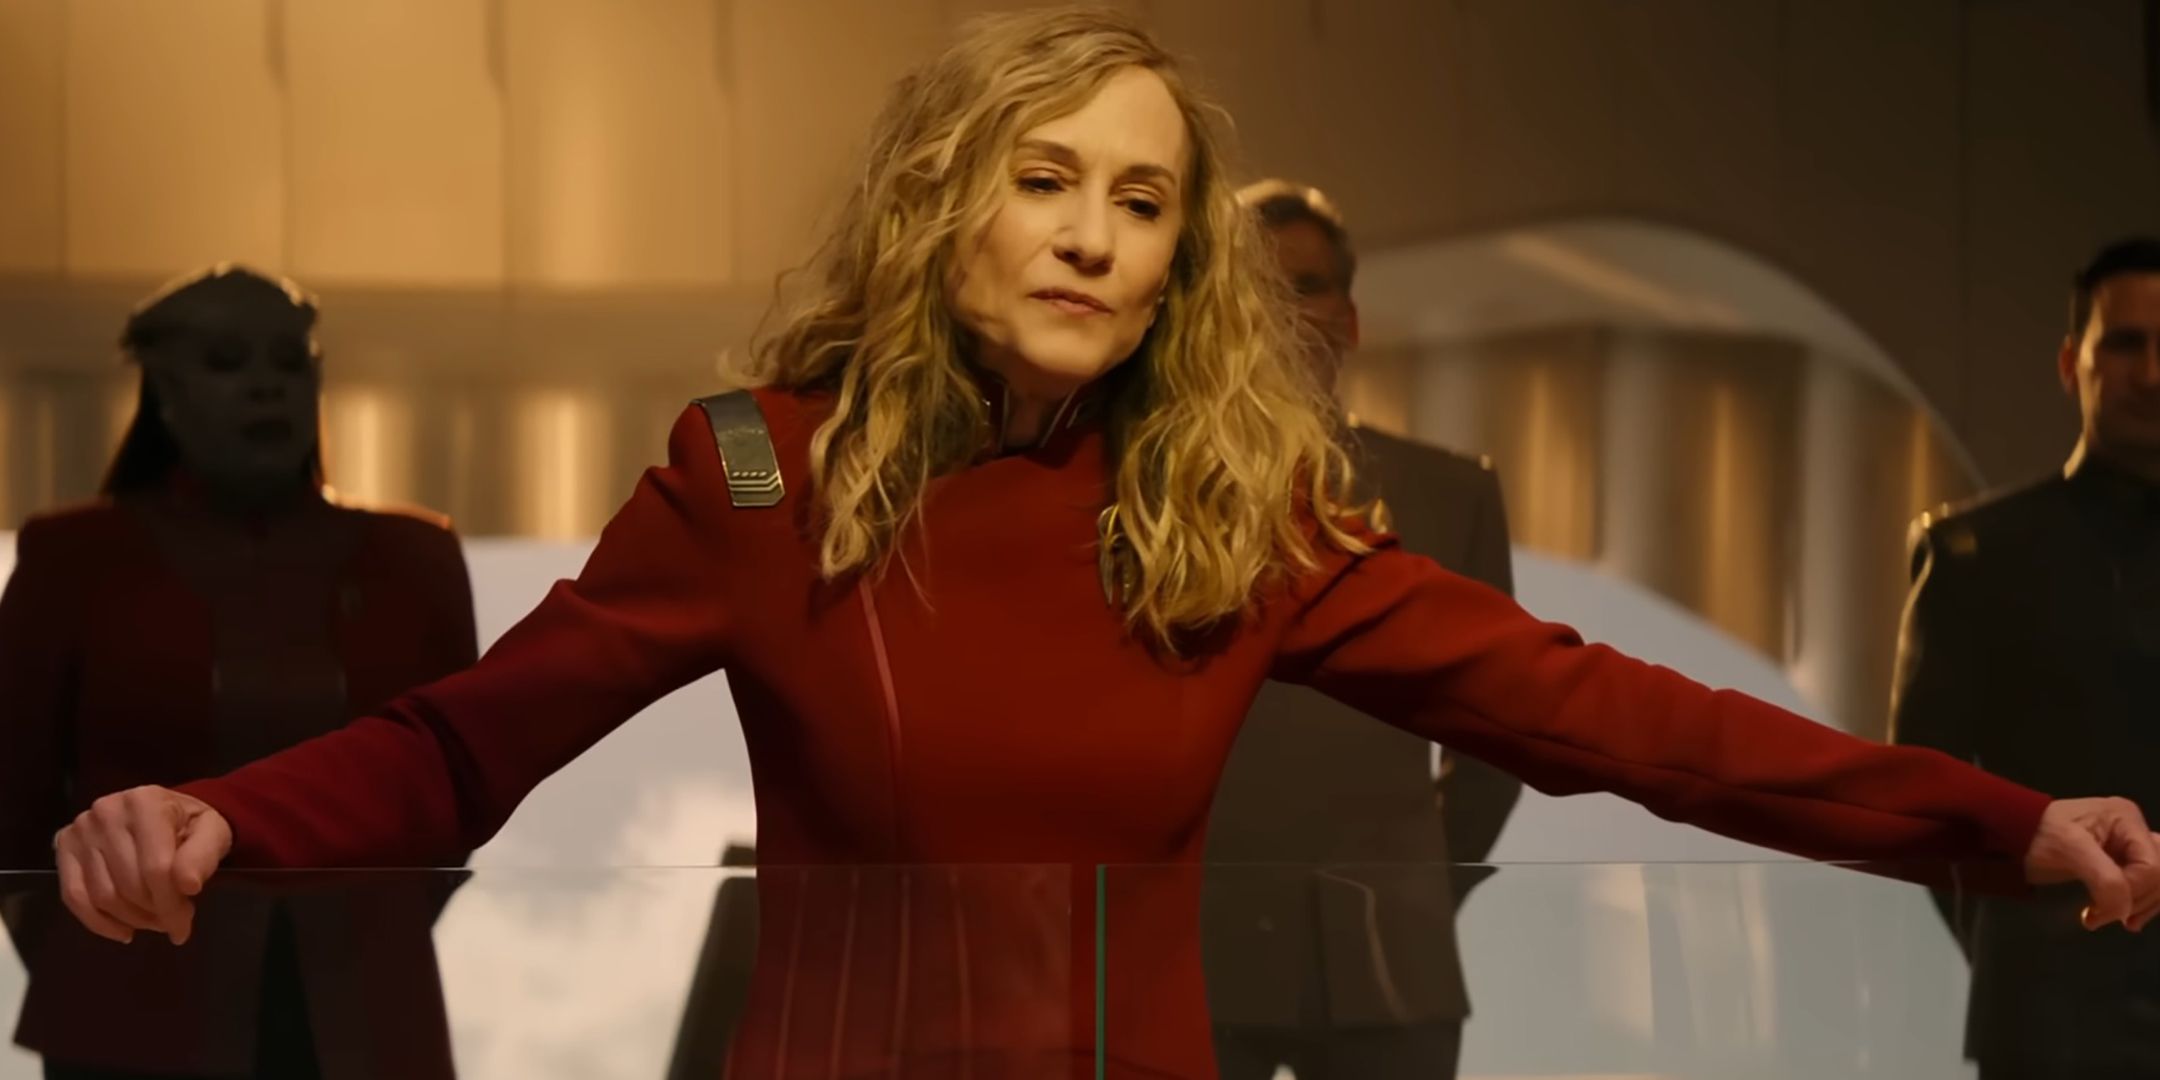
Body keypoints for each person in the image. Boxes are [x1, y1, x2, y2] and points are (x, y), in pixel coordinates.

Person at [45, 11, 2160, 1080]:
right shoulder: (758, 473)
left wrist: (2001, 824)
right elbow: (464, 746)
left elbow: (1616, 721)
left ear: (1176, 266)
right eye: (1045, 179)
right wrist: (218, 821)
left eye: (1142, 202)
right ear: (940, 204)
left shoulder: (1231, 515)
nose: (1090, 235)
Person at [0, 265, 476, 1080]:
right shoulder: (72, 557)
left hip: (367, 1004)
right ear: (165, 387)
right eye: (227, 361)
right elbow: (13, 800)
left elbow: (455, 785)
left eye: (289, 362)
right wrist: (97, 958)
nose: (266, 386)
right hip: (130, 1006)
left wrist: (373, 932)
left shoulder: (415, 557)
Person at [1202, 180, 1518, 1080]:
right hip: (1193, 953)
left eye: (1303, 287)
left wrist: (1419, 888)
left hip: (1389, 966)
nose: (1281, 314)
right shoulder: (1150, 496)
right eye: (1254, 290)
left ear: (1349, 318)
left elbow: (1495, 741)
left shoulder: (1453, 496)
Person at [1892, 236, 2160, 1080]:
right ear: (2071, 363)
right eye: (2128, 343)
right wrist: (2019, 950)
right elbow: (1921, 793)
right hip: (2051, 1016)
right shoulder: (1979, 556)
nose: (2154, 373)